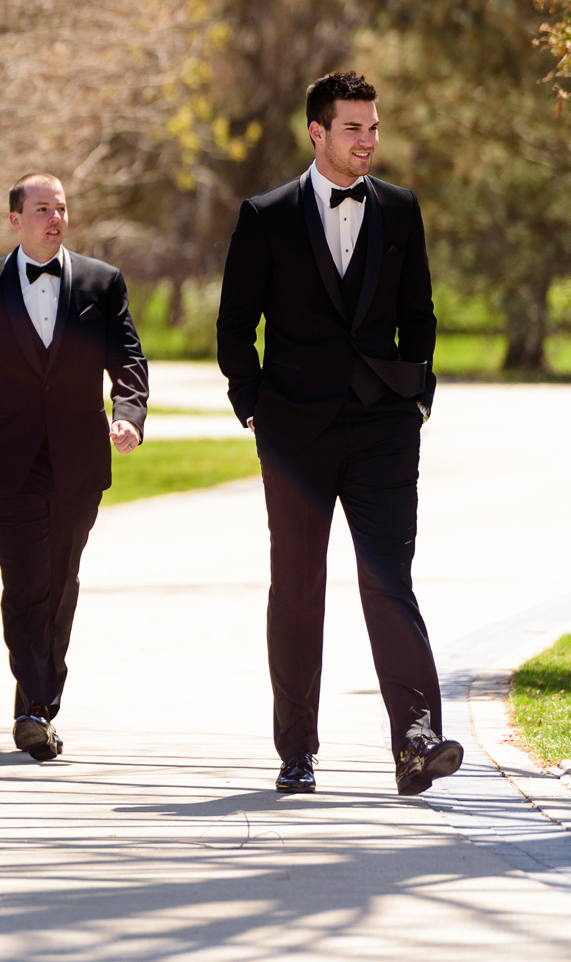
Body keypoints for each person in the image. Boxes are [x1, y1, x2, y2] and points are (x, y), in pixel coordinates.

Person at [217, 71, 461, 797]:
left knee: (390, 580)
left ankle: (415, 741)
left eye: (375, 127)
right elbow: (235, 324)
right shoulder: (264, 215)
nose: (369, 140)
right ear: (317, 133)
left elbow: (419, 312)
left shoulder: (399, 209)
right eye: (354, 128)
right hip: (294, 431)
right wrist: (253, 404)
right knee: (297, 587)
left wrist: (416, 390)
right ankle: (297, 749)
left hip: (384, 426)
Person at [0, 172, 148, 764]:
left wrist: (128, 415)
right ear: (15, 219)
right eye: (42, 208)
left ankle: (38, 704)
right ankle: (33, 707)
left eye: (62, 208)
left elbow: (128, 360)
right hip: (5, 460)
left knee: (60, 582)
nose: (55, 218)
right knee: (24, 583)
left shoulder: (102, 282)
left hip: (77, 459)